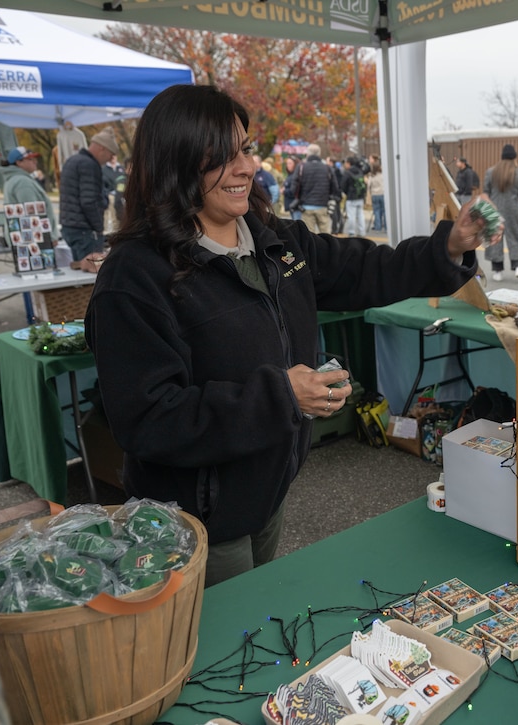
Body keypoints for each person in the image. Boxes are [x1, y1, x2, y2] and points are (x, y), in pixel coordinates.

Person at [84, 84, 491, 587]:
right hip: (195, 518)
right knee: (223, 645)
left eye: (246, 148)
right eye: (220, 156)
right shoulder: (136, 277)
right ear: (175, 163)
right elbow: (147, 418)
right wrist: (281, 395)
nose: (245, 167)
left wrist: (447, 246)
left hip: (267, 492)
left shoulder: (275, 241)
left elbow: (366, 270)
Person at [59, 127, 118, 261]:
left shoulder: (72, 161)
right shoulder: (89, 165)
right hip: (85, 230)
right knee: (92, 272)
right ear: (102, 148)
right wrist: (99, 228)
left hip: (72, 226)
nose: (110, 159)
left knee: (81, 270)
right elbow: (89, 201)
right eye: (111, 153)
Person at [483, 144, 518, 283]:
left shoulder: (490, 172)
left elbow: (486, 191)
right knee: (515, 237)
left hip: (493, 209)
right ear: (514, 157)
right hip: (513, 210)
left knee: (494, 238)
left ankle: (497, 270)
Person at [0, 146, 57, 234]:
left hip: (23, 239)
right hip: (33, 241)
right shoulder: (22, 182)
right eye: (30, 159)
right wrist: (48, 238)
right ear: (19, 162)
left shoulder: (14, 179)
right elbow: (32, 215)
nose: (35, 161)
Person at [292, 144, 339, 234]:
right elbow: (335, 187)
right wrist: (329, 197)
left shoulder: (301, 167)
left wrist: (298, 199)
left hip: (306, 206)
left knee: (309, 236)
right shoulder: (327, 168)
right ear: (319, 154)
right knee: (326, 235)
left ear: (307, 154)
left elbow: (294, 186)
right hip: (323, 205)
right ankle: (326, 248)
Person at [101, 154, 127, 233]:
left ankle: (120, 228)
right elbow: (102, 185)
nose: (113, 157)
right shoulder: (103, 170)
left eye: (114, 155)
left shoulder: (122, 168)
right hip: (110, 193)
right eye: (111, 155)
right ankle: (109, 230)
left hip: (122, 193)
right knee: (111, 203)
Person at [341, 156, 366, 236]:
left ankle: (351, 232)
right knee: (360, 215)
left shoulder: (347, 173)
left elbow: (343, 185)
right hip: (360, 197)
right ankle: (362, 232)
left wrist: (346, 193)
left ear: (349, 163)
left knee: (351, 216)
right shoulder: (360, 171)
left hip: (351, 197)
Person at [367, 155, 385, 232]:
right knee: (384, 211)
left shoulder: (371, 176)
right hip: (382, 193)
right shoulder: (382, 175)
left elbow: (368, 185)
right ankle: (387, 227)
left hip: (375, 194)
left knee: (376, 211)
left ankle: (378, 227)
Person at [283, 156, 302, 221]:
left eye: (290, 163)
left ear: (295, 164)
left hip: (296, 205)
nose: (288, 165)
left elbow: (294, 191)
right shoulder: (290, 175)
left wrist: (284, 191)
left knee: (297, 224)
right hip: (291, 205)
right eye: (287, 163)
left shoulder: (295, 175)